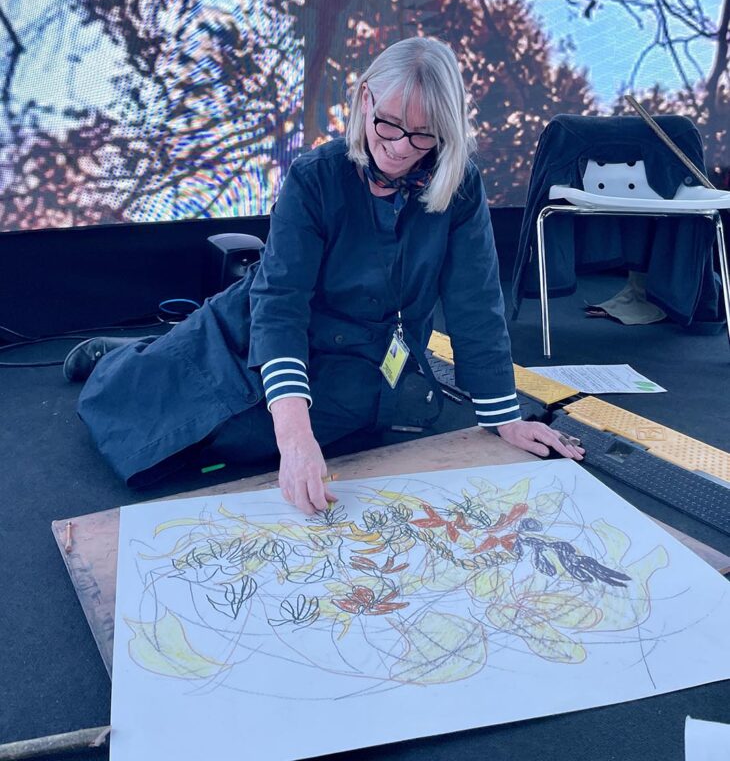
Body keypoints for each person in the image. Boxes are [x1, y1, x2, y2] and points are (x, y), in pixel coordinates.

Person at [67, 37, 584, 511]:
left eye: (424, 133)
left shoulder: (460, 184)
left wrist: (504, 416)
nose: (401, 145)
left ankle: (161, 357)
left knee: (248, 442)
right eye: (388, 123)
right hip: (259, 333)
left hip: (365, 363)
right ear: (364, 101)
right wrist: (294, 439)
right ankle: (121, 359)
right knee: (169, 423)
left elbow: (476, 303)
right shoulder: (315, 176)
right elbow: (280, 304)